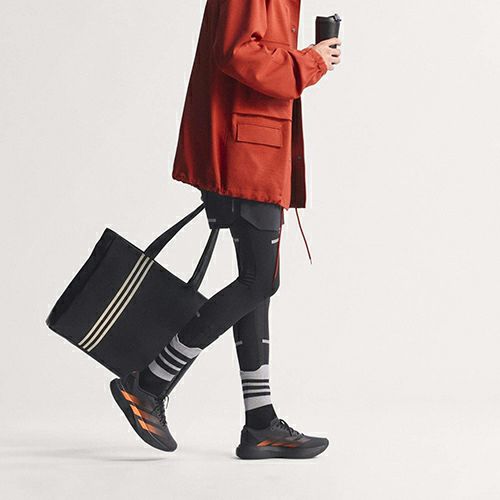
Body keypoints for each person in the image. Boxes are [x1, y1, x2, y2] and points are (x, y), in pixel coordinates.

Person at [109, 0, 341, 459]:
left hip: (253, 147)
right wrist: (310, 61)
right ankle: (149, 383)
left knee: (256, 285)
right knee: (259, 281)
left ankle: (260, 423)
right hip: (246, 153)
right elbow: (238, 53)